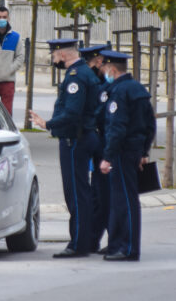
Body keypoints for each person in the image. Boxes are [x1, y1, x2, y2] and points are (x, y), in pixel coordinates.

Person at [29, 38, 100, 258]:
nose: (53, 59)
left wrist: (47, 124)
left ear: (62, 54)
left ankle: (79, 244)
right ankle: (87, 241)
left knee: (76, 194)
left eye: (53, 55)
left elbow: (72, 113)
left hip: (74, 141)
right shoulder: (84, 73)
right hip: (84, 137)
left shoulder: (75, 77)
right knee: (83, 192)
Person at [99, 50, 156, 261]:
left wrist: (108, 157)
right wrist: (144, 151)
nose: (104, 73)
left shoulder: (120, 92)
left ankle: (129, 248)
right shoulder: (137, 88)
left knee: (125, 201)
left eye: (105, 69)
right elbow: (150, 124)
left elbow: (117, 128)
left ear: (112, 69)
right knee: (121, 200)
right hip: (133, 151)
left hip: (122, 153)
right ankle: (116, 245)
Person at [77, 44, 111, 254]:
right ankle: (92, 240)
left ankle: (115, 239)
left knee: (106, 197)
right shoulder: (94, 81)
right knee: (98, 197)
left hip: (108, 148)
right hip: (99, 146)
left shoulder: (107, 85)